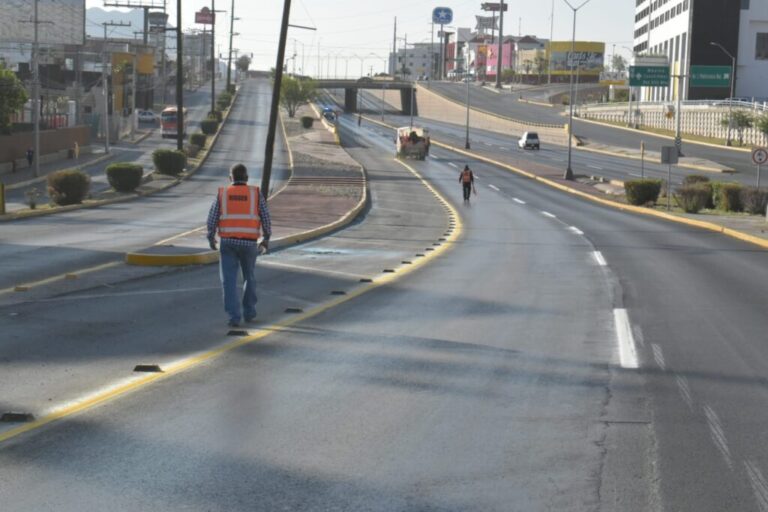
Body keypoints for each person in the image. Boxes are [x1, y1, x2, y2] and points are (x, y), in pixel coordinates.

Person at [207, 163, 271, 327]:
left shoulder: (223, 193)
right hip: (249, 243)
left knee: (228, 281)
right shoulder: (255, 194)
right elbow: (265, 217)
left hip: (228, 243)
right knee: (249, 277)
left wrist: (211, 237)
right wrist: (266, 238)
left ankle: (234, 317)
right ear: (247, 178)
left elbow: (212, 217)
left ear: (230, 178)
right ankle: (249, 312)